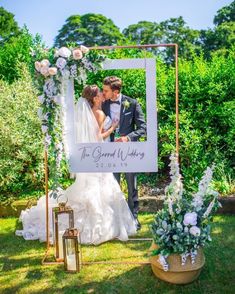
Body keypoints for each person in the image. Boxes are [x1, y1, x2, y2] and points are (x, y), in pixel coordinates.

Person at [16, 85, 137, 245]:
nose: (102, 94)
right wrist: (113, 127)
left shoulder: (87, 113)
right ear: (94, 98)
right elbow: (98, 137)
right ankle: (102, 226)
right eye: (100, 93)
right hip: (99, 156)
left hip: (90, 158)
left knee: (93, 189)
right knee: (102, 190)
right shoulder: (99, 113)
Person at [102, 76, 147, 230]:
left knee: (132, 185)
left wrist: (127, 138)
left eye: (106, 90)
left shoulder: (132, 103)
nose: (103, 92)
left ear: (115, 91)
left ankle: (133, 218)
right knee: (113, 185)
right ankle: (115, 220)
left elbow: (143, 128)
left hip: (129, 152)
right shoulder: (103, 104)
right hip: (110, 152)